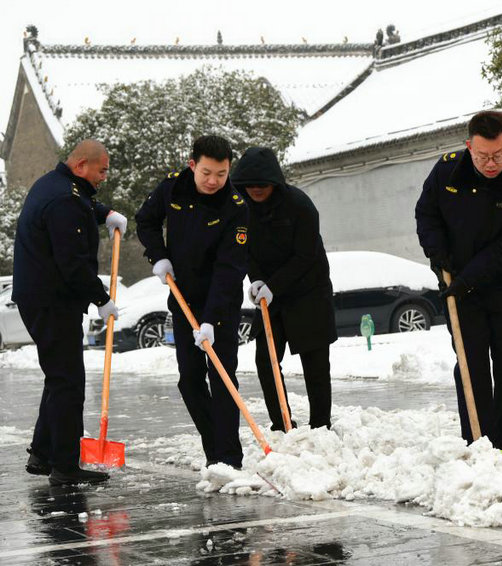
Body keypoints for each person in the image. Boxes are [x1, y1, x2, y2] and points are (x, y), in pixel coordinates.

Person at [415, 110, 502, 453]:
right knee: (470, 367)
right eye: (483, 155)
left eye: (499, 155)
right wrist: (436, 253)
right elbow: (426, 214)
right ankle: (478, 442)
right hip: (459, 286)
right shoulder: (446, 170)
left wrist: (465, 279)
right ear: (469, 146)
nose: (491, 163)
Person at [14, 139, 127, 485]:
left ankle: (43, 452)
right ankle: (64, 467)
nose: (105, 176)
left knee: (58, 376)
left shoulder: (55, 185)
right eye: (102, 169)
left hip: (42, 297)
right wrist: (101, 298)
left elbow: (78, 203)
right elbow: (72, 263)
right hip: (52, 300)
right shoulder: (65, 198)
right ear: (81, 167)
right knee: (68, 382)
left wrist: (103, 212)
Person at [135, 135, 248, 469]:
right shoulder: (173, 187)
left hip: (221, 304)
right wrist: (158, 257)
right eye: (207, 173)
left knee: (223, 377)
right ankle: (215, 449)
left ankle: (230, 458)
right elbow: (146, 220)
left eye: (222, 174)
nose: (213, 181)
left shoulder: (236, 207)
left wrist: (212, 320)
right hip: (182, 297)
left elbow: (230, 269)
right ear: (192, 166)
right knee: (189, 380)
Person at [230, 147, 336, 431]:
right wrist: (256, 281)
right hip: (271, 297)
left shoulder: (300, 205)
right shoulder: (240, 208)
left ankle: (321, 426)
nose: (255, 190)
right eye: (249, 185)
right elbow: (244, 249)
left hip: (308, 291)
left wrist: (274, 285)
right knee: (266, 361)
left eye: (261, 185)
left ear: (274, 182)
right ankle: (283, 423)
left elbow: (306, 255)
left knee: (315, 362)